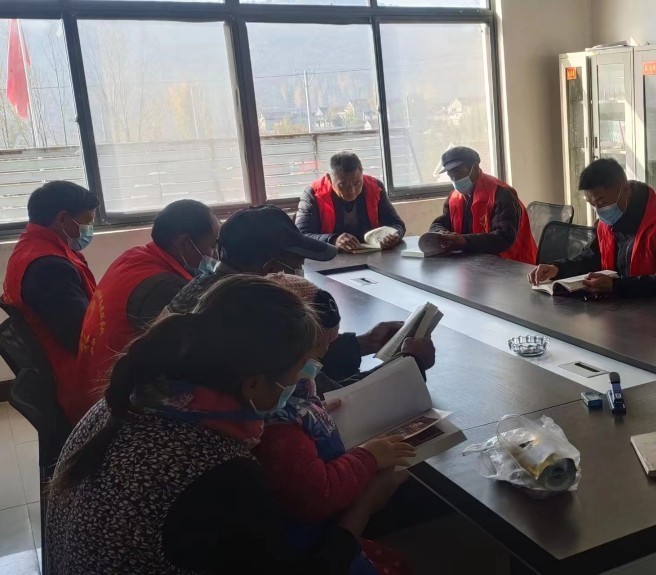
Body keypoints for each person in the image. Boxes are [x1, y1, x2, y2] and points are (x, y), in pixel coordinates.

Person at [47, 275, 407, 574]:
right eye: (299, 371)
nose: (303, 383)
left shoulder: (128, 401)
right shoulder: (220, 472)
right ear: (253, 384)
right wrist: (363, 508)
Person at [167, 205, 435, 385]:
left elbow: (299, 364)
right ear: (270, 268)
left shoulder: (203, 287)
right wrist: (412, 364)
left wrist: (364, 344)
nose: (299, 272)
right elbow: (333, 402)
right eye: (296, 264)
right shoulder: (250, 313)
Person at [257, 273, 413, 574]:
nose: (316, 368)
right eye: (312, 359)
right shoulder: (277, 432)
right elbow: (320, 495)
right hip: (311, 547)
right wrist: (368, 457)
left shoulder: (287, 392)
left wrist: (316, 412)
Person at [71, 199, 220, 423]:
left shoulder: (136, 256)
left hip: (93, 385)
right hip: (114, 404)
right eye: (212, 245)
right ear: (184, 243)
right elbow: (187, 361)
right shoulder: (163, 288)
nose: (216, 256)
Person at [527, 158, 656, 306]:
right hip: (626, 311)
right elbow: (591, 258)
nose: (598, 210)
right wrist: (557, 268)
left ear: (625, 189)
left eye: (602, 202)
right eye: (592, 204)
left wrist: (615, 286)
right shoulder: (606, 221)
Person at [2, 181, 99, 422]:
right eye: (87, 221)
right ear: (62, 218)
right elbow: (82, 337)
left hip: (56, 366)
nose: (90, 229)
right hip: (77, 377)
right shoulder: (49, 268)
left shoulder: (30, 247)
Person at [429, 146, 537, 264]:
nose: (455, 179)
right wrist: (442, 234)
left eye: (459, 173)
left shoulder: (501, 193)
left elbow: (504, 237)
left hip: (513, 264)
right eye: (451, 175)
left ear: (475, 168)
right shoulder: (454, 198)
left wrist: (464, 241)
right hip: (476, 263)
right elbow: (439, 223)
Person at [296, 151, 406, 252]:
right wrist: (333, 240)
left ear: (362, 173)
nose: (351, 191)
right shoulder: (313, 194)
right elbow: (300, 236)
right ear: (329, 178)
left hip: (373, 256)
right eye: (343, 185)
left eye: (357, 183)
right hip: (330, 258)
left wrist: (393, 235)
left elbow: (397, 224)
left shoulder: (375, 187)